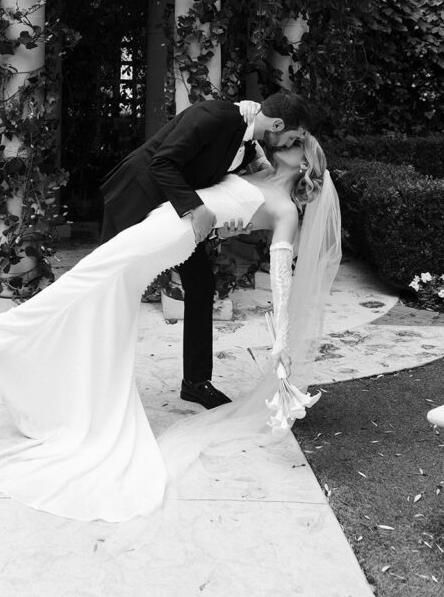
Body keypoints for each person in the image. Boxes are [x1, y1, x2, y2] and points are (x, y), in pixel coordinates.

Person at [0, 132, 342, 523]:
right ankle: (73, 387)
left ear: (305, 163)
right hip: (170, 217)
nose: (287, 138)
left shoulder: (287, 211)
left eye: (296, 142)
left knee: (89, 274)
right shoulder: (258, 166)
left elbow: (281, 276)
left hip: (176, 232)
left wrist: (283, 339)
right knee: (104, 294)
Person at [99, 92, 315, 408]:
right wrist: (196, 209)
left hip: (176, 216)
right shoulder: (214, 117)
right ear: (278, 124)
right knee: (111, 290)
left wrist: (224, 227)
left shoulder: (248, 144)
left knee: (201, 284)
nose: (286, 145)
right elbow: (163, 162)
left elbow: (224, 187)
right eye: (291, 138)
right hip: (136, 197)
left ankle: (196, 383)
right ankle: (104, 382)